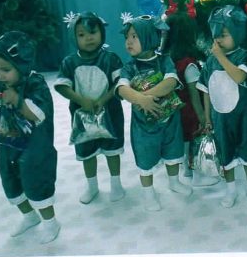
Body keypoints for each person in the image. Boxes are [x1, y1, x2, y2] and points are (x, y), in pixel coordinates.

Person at [0, 31, 60, 244]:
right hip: (8, 145)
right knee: (11, 181)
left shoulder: (35, 84)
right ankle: (29, 216)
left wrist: (18, 100)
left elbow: (39, 114)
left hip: (35, 147)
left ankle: (50, 222)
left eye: (6, 69)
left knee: (36, 181)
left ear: (22, 64)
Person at [116, 15, 192, 211]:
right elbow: (122, 89)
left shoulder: (164, 61)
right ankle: (148, 193)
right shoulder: (129, 67)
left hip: (169, 121)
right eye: (127, 37)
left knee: (173, 150)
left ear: (149, 37)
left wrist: (144, 96)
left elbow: (171, 82)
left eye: (134, 36)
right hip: (144, 126)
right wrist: (141, 100)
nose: (128, 42)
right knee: (145, 157)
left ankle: (174, 181)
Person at [197, 6, 247, 207]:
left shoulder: (243, 56)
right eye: (216, 35)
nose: (218, 40)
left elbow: (239, 77)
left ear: (237, 34)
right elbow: (206, 90)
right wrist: (207, 117)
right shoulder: (210, 61)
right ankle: (231, 189)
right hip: (221, 118)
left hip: (245, 116)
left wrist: (220, 57)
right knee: (225, 153)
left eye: (224, 35)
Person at [54, 12, 125, 204]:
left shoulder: (111, 59)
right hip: (82, 116)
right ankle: (92, 186)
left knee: (112, 148)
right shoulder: (69, 62)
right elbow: (62, 86)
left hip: (110, 113)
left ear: (102, 33)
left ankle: (116, 184)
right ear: (74, 37)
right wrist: (81, 100)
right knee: (86, 151)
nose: (88, 38)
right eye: (81, 34)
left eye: (93, 32)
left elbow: (120, 82)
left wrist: (103, 99)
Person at [164, 11, 212, 182]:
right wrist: (203, 118)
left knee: (182, 141)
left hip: (174, 110)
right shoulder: (189, 64)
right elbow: (194, 95)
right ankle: (191, 170)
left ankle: (185, 169)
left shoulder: (167, 59)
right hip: (189, 112)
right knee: (191, 141)